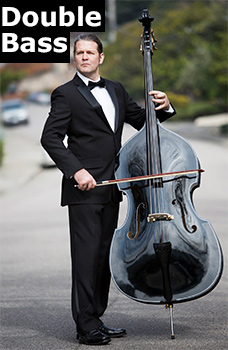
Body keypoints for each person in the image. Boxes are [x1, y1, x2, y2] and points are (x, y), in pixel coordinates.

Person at [41, 33, 176, 345]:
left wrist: (164, 108)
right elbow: (50, 137)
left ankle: (96, 318)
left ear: (101, 57)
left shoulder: (115, 89)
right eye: (79, 52)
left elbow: (145, 123)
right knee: (86, 258)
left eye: (90, 52)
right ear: (75, 58)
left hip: (113, 187)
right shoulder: (65, 94)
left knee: (102, 257)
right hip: (84, 189)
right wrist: (76, 170)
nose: (85, 56)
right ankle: (85, 325)